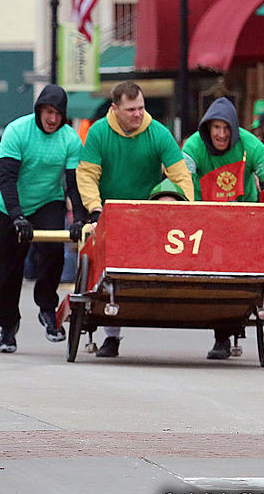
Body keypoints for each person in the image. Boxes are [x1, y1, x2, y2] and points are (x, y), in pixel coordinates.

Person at [76, 80, 194, 358]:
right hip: (110, 211)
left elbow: (180, 176)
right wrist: (95, 209)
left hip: (149, 212)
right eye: (131, 109)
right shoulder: (98, 133)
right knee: (110, 271)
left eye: (140, 108)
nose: (138, 114)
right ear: (115, 109)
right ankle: (111, 337)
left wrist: (186, 209)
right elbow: (87, 175)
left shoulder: (159, 133)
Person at [182, 97, 264, 358]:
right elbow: (184, 185)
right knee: (217, 278)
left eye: (227, 128)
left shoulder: (252, 145)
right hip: (206, 218)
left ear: (235, 129)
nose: (222, 134)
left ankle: (240, 320)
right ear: (207, 128)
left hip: (244, 217)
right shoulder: (193, 146)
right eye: (216, 128)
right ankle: (222, 337)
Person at [0, 84, 85, 352]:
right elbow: (6, 179)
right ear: (38, 111)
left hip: (48, 201)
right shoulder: (17, 131)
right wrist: (18, 216)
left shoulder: (70, 139)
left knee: (54, 251)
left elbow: (73, 184)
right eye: (47, 112)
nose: (52, 119)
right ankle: (8, 328)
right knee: (7, 271)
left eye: (57, 113)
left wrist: (78, 217)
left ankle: (47, 307)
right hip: (13, 207)